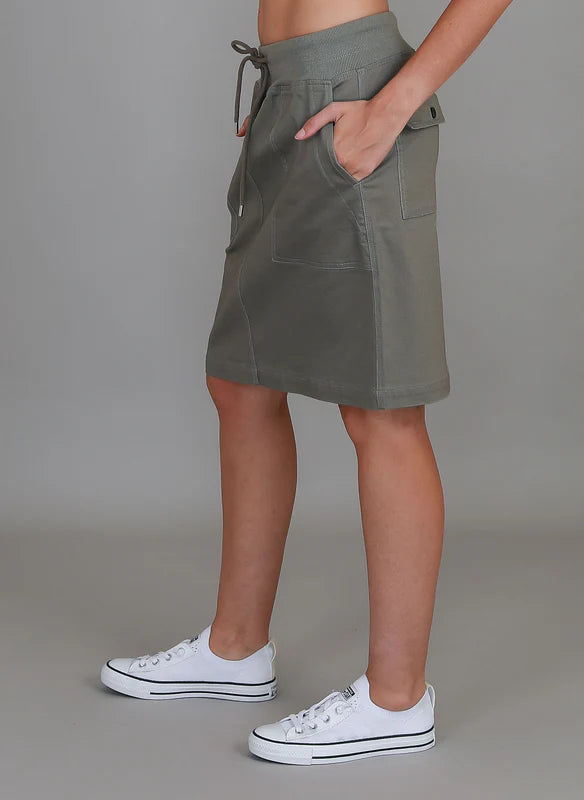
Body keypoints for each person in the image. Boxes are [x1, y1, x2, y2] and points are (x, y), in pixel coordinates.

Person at [101, 0, 514, 766]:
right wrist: (284, 90)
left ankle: (396, 699)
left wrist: (395, 103)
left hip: (357, 91)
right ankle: (234, 649)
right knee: (241, 379)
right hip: (287, 96)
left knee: (381, 408)